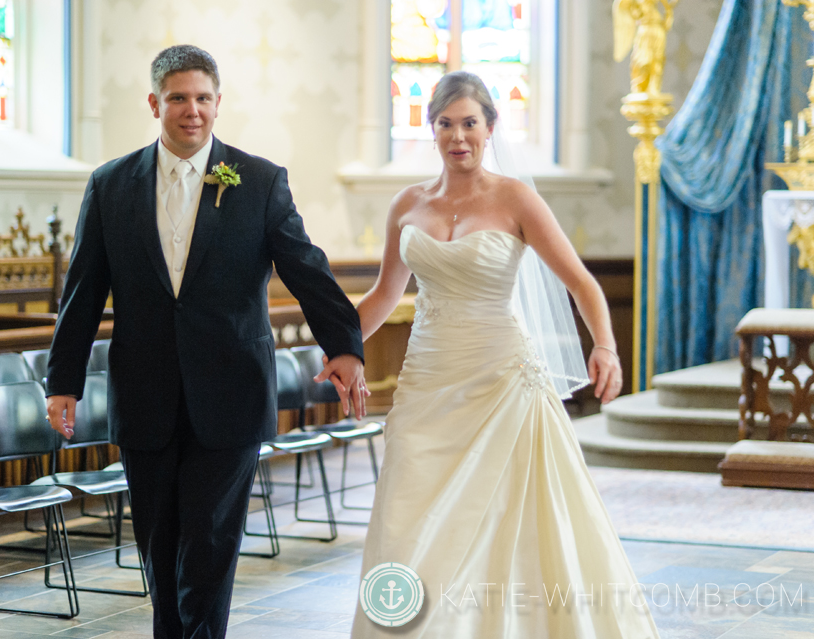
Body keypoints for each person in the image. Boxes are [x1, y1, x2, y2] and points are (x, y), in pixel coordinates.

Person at [45, 44, 366, 639]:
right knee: (159, 544)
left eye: (202, 98)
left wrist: (344, 345)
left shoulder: (259, 181)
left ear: (218, 104)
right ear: (154, 103)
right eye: (177, 99)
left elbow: (307, 269)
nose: (191, 110)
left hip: (232, 392)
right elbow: (83, 291)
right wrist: (63, 383)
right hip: (145, 392)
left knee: (211, 541)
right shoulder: (110, 185)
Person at [350, 71, 660, 638]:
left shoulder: (516, 197)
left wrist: (607, 348)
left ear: (490, 128)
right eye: (446, 124)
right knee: (406, 512)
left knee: (508, 517)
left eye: (470, 123)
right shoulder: (406, 203)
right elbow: (384, 296)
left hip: (502, 380)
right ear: (432, 129)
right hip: (426, 383)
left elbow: (583, 284)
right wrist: (340, 349)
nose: (458, 136)